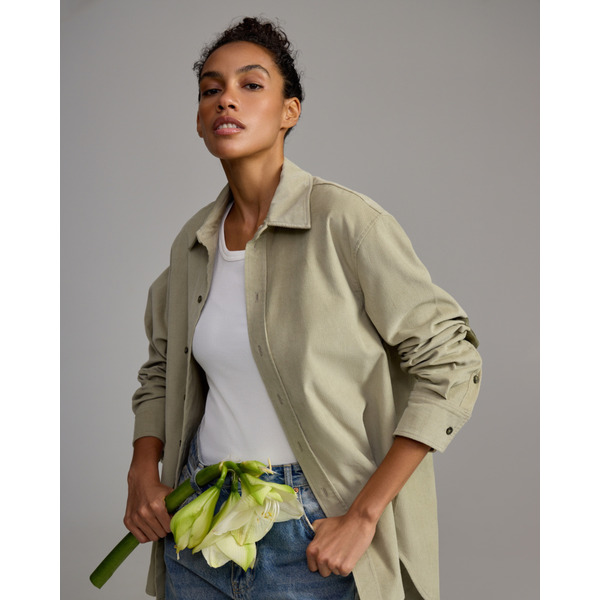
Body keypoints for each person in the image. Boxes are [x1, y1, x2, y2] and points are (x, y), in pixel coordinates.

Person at [123, 16, 482, 600]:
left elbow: (453, 364)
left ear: (289, 111)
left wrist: (363, 515)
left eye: (251, 84)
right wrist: (143, 468)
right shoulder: (193, 243)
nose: (226, 99)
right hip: (200, 526)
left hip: (312, 534)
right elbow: (163, 370)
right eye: (211, 89)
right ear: (199, 119)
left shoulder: (346, 223)